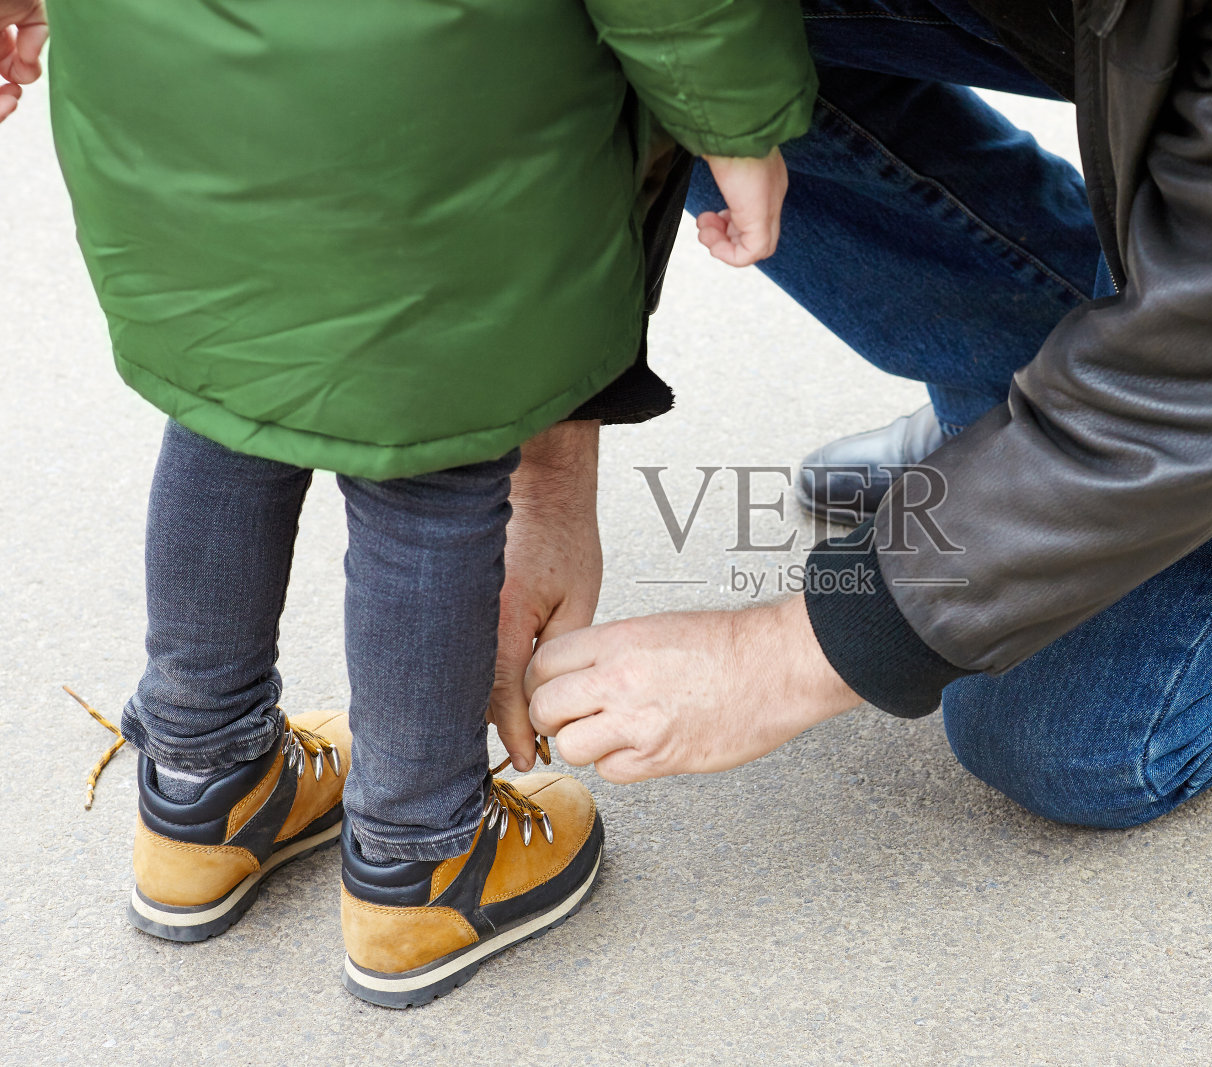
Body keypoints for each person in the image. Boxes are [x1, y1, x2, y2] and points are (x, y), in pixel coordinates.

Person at [504, 0, 1212, 829]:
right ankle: (1029, 404)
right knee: (661, 42)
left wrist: (781, 652)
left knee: (1071, 734)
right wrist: (544, 474)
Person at [10, 0, 815, 1006]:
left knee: (225, 399)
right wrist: (737, 123)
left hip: (164, 88)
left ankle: (199, 790)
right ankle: (419, 861)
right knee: (431, 461)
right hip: (436, 116)